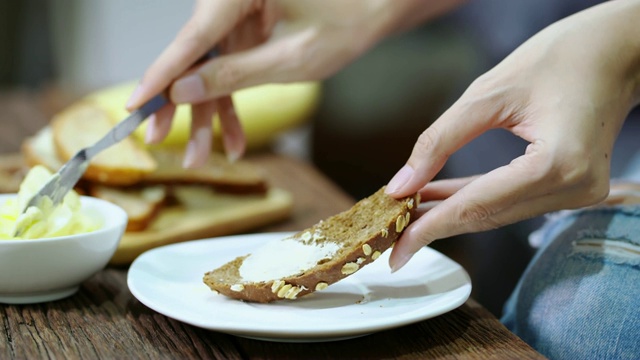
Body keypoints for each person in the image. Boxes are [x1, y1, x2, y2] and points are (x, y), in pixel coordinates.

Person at [126, 0, 640, 358]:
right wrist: (368, 8)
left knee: (586, 322)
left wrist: (621, 45)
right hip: (509, 122)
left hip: (615, 134)